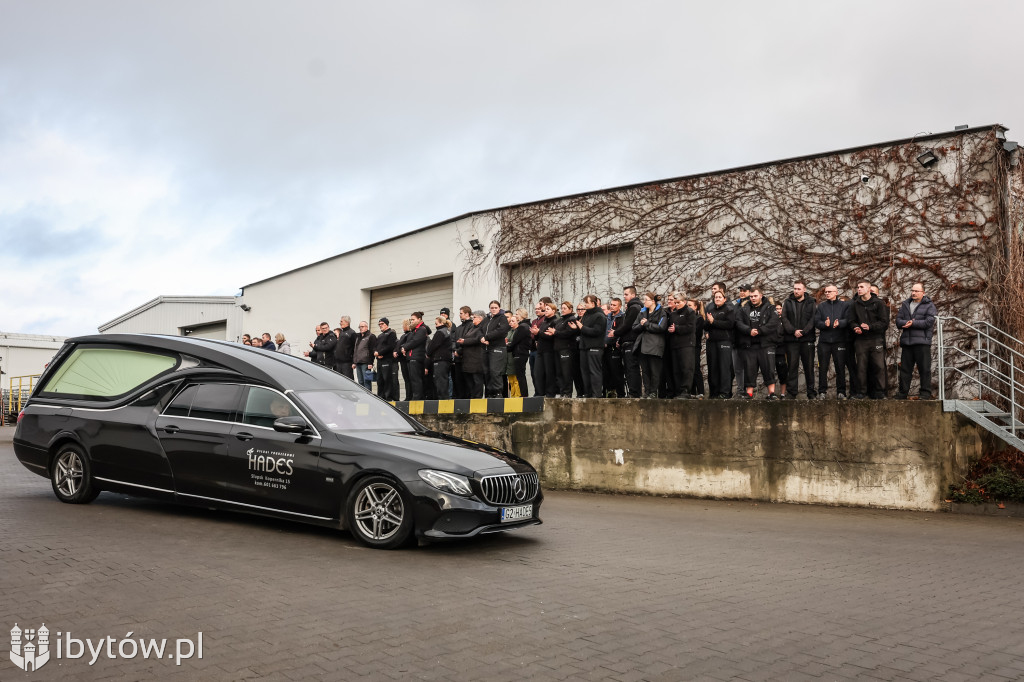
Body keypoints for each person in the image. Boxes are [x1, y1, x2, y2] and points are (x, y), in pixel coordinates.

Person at [735, 287, 781, 399]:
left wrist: (760, 331)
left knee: (769, 369)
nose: (753, 298)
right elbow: (738, 322)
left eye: (755, 296)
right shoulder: (743, 308)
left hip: (766, 344)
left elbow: (773, 323)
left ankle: (771, 393)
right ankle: (749, 393)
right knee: (749, 369)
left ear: (761, 295)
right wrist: (748, 330)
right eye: (751, 296)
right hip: (750, 344)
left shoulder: (770, 308)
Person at [895, 283, 938, 400]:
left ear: (923, 293)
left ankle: (925, 394)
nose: (913, 293)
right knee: (905, 370)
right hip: (907, 343)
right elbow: (898, 321)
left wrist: (913, 323)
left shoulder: (929, 305)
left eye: (916, 291)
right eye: (912, 290)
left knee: (924, 369)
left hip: (922, 342)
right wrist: (905, 323)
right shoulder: (905, 304)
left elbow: (929, 322)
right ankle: (902, 394)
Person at [848, 280, 890, 399]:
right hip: (861, 340)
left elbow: (884, 323)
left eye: (861, 287)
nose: (859, 289)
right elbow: (851, 321)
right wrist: (855, 327)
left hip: (876, 339)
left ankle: (880, 392)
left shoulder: (879, 303)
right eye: (858, 287)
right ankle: (861, 393)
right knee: (861, 367)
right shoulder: (854, 304)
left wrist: (870, 327)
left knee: (879, 366)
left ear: (868, 289)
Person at [781, 281, 817, 400]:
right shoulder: (788, 302)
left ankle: (811, 392)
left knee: (809, 366)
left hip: (807, 339)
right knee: (792, 366)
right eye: (795, 288)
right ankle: (792, 393)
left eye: (798, 289)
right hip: (791, 340)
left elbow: (813, 319)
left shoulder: (811, 302)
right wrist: (793, 331)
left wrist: (804, 331)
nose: (796, 291)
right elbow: (784, 318)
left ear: (804, 290)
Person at [814, 285, 849, 399]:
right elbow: (816, 321)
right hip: (824, 341)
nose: (827, 293)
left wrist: (840, 323)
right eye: (826, 292)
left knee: (840, 367)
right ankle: (822, 392)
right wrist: (824, 324)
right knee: (823, 367)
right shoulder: (821, 306)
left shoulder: (844, 305)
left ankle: (841, 392)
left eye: (830, 291)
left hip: (839, 340)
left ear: (836, 292)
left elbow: (848, 320)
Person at [633, 292, 668, 398]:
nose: (644, 302)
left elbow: (661, 327)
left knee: (655, 371)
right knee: (645, 371)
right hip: (643, 346)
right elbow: (634, 327)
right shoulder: (642, 312)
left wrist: (647, 324)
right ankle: (647, 391)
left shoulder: (661, 312)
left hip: (655, 345)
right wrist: (642, 324)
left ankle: (653, 391)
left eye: (646, 300)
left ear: (653, 301)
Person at [667, 292, 697, 399]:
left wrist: (677, 328)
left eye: (678, 302)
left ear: (684, 302)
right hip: (675, 345)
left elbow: (691, 328)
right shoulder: (673, 314)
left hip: (686, 344)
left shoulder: (690, 312)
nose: (676, 304)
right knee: (676, 369)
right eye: (675, 303)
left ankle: (686, 390)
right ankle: (678, 391)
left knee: (686, 368)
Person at [705, 291, 735, 399]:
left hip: (724, 341)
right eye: (715, 297)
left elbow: (730, 324)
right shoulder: (710, 310)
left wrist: (714, 322)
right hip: (712, 342)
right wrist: (708, 322)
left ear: (724, 299)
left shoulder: (729, 309)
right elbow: (706, 326)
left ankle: (725, 392)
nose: (717, 299)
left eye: (719, 297)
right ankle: (714, 393)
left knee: (724, 367)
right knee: (713, 367)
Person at [576, 295, 607, 399]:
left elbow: (597, 331)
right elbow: (583, 330)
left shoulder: (599, 316)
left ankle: (596, 394)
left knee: (594, 371)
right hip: (584, 347)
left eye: (587, 303)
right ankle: (588, 393)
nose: (585, 305)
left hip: (595, 347)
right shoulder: (586, 315)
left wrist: (582, 327)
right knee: (584, 371)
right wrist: (577, 328)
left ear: (593, 304)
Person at [616, 286, 644, 398]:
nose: (624, 296)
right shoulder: (634, 307)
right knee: (631, 368)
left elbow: (627, 325)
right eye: (624, 294)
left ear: (633, 295)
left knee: (631, 368)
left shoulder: (634, 308)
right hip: (628, 341)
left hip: (631, 342)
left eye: (626, 294)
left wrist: (616, 333)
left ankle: (634, 392)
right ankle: (634, 392)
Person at [482, 300, 511, 398]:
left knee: (495, 371)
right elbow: (480, 330)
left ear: (499, 308)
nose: (493, 309)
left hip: (498, 348)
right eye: (492, 308)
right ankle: (490, 392)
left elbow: (502, 331)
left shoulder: (502, 318)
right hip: (486, 349)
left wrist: (487, 337)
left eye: (495, 308)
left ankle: (498, 392)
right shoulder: (487, 319)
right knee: (487, 371)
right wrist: (482, 339)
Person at [400, 312, 431, 400]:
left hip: (416, 357)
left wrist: (405, 347)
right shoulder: (414, 330)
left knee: (416, 379)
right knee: (412, 379)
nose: (411, 321)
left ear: (419, 319)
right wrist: (403, 348)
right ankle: (415, 397)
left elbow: (415, 341)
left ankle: (417, 398)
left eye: (413, 319)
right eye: (411, 320)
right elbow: (410, 341)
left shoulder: (422, 329)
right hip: (411, 357)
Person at [457, 310, 487, 398]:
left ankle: (477, 398)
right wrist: (459, 350)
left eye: (474, 317)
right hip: (468, 359)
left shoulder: (483, 327)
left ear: (480, 318)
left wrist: (464, 341)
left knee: (477, 380)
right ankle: (472, 397)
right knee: (469, 381)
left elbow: (478, 339)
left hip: (477, 359)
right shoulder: (472, 327)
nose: (472, 319)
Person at [552, 301, 579, 397]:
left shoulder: (571, 319)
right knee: (559, 372)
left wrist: (555, 332)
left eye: (565, 308)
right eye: (562, 308)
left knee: (566, 372)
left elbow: (568, 333)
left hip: (567, 348)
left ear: (570, 309)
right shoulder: (560, 320)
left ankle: (567, 392)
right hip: (558, 349)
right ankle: (562, 392)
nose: (563, 310)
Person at [534, 301, 559, 398]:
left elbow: (550, 337)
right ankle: (540, 392)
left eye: (548, 309)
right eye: (545, 309)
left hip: (549, 350)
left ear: (553, 311)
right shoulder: (544, 322)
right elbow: (541, 336)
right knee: (538, 372)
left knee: (549, 372)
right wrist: (536, 333)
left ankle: (550, 393)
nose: (545, 311)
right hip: (540, 350)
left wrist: (539, 332)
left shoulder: (555, 321)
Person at [426, 315, 453, 399]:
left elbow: (433, 345)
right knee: (444, 379)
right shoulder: (447, 331)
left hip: (440, 359)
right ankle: (444, 398)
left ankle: (443, 399)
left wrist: (428, 353)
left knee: (440, 380)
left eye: (436, 324)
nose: (435, 326)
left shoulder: (440, 332)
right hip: (446, 359)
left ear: (441, 323)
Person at [732, 284, 751, 396]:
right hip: (736, 341)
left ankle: (748, 391)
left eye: (744, 290)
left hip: (747, 341)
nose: (742, 292)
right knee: (738, 368)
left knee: (748, 368)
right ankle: (740, 390)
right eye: (741, 290)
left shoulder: (750, 304)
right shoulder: (736, 305)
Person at [509, 308, 533, 398]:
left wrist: (507, 347)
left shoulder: (522, 326)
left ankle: (524, 395)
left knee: (520, 376)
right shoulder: (527, 325)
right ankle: (524, 395)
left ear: (521, 315)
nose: (515, 316)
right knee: (521, 375)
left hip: (519, 353)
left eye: (517, 314)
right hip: (523, 352)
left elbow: (515, 341)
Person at [604, 297, 625, 398]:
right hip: (606, 347)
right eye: (611, 305)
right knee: (607, 372)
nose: (612, 307)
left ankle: (621, 394)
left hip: (615, 347)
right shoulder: (608, 317)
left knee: (617, 372)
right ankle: (610, 392)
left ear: (619, 306)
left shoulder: (622, 317)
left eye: (614, 305)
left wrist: (617, 340)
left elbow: (622, 331)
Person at [374, 318, 399, 401]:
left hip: (387, 360)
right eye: (379, 324)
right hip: (379, 360)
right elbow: (376, 346)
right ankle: (381, 397)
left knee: (387, 379)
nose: (380, 325)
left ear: (386, 324)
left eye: (381, 324)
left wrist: (380, 353)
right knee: (379, 379)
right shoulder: (380, 336)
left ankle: (388, 397)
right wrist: (376, 353)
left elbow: (390, 346)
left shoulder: (391, 333)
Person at [451, 306, 473, 399]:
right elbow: (453, 341)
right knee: (458, 381)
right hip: (457, 359)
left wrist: (459, 351)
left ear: (467, 314)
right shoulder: (458, 328)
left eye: (461, 313)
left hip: (467, 358)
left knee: (468, 381)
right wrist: (455, 351)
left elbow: (468, 341)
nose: (459, 315)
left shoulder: (471, 326)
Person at [687, 299, 706, 398]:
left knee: (695, 368)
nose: (688, 307)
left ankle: (701, 391)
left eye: (690, 305)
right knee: (689, 369)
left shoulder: (699, 319)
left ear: (695, 307)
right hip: (687, 346)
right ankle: (692, 391)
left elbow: (694, 332)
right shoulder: (687, 318)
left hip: (695, 346)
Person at [352, 321, 376, 390]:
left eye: (362, 327)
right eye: (360, 327)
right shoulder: (358, 337)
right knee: (360, 382)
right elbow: (355, 350)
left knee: (367, 382)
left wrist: (370, 362)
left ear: (366, 327)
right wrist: (354, 362)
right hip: (358, 363)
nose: (360, 328)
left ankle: (369, 398)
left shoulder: (371, 336)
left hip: (366, 363)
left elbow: (372, 350)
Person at [774, 302, 789, 398]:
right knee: (770, 372)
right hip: (771, 349)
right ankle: (771, 393)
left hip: (782, 350)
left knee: (782, 372)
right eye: (776, 309)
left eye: (780, 308)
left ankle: (783, 394)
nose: (778, 310)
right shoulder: (770, 320)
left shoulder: (785, 321)